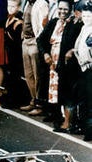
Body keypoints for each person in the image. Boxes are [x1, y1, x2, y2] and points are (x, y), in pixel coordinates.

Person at [37, 0, 83, 132]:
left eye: (65, 9)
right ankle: (58, 118)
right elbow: (40, 39)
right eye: (60, 9)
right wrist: (45, 53)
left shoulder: (75, 25)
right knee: (55, 92)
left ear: (70, 10)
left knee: (67, 93)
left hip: (67, 65)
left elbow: (78, 43)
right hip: (52, 63)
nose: (62, 12)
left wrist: (71, 52)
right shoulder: (53, 22)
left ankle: (67, 123)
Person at [20, 0, 49, 116]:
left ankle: (39, 104)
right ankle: (33, 100)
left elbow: (43, 25)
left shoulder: (41, 3)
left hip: (34, 41)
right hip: (26, 40)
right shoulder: (28, 3)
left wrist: (39, 41)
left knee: (38, 75)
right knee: (29, 75)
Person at [74, 0, 92, 141]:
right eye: (84, 16)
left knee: (90, 101)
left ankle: (90, 131)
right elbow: (78, 46)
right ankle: (86, 128)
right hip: (82, 67)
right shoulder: (84, 28)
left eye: (89, 16)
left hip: (90, 68)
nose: (86, 19)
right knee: (84, 100)